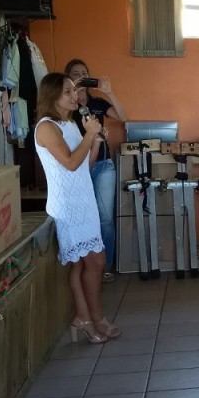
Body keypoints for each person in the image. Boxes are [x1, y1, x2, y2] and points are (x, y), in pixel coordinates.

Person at [33, 73, 120, 343]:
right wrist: (90, 134)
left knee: (84, 265)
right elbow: (70, 164)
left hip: (84, 201)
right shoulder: (46, 128)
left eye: (75, 90)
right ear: (52, 96)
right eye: (68, 92)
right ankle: (94, 317)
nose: (76, 96)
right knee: (94, 262)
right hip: (68, 206)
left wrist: (94, 143)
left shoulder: (70, 124)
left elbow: (85, 165)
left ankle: (85, 318)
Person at [65, 59, 127, 282]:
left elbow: (123, 117)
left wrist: (109, 92)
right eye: (75, 74)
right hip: (76, 169)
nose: (81, 76)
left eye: (84, 73)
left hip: (102, 165)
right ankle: (84, 266)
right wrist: (73, 91)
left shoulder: (97, 103)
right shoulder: (67, 107)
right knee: (83, 218)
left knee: (105, 218)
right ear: (68, 78)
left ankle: (105, 267)